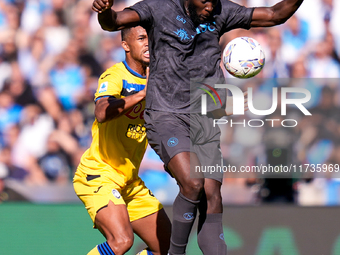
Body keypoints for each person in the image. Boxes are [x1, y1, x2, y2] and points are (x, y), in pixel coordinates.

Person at [91, 0, 304, 254]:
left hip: (204, 118)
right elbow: (114, 22)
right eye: (204, 1)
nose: (210, 6)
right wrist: (104, 11)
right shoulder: (158, 8)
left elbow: (274, 14)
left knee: (212, 196)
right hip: (166, 116)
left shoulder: (220, 10)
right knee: (193, 182)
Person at [73, 26, 171, 255]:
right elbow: (101, 111)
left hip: (130, 181)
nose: (148, 43)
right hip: (100, 174)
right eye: (141, 38)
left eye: (151, 38)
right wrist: (141, 95)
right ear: (125, 45)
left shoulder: (160, 79)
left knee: (166, 248)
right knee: (121, 241)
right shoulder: (115, 76)